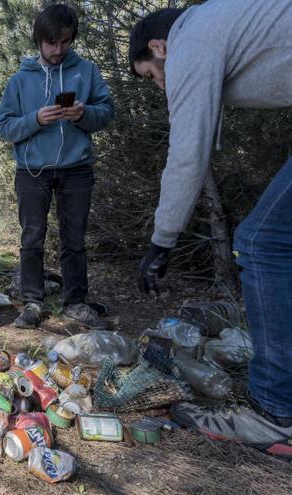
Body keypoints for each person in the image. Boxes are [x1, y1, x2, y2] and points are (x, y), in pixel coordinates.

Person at [129, 0, 292, 457]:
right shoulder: (217, 24)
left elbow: (188, 154)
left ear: (159, 47)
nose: (161, 85)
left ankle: (275, 414)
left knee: (262, 241)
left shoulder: (189, 43)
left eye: (152, 75)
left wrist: (161, 242)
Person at [0, 4, 114, 330]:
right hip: (31, 171)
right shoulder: (19, 81)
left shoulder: (86, 71)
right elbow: (5, 127)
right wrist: (35, 120)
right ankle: (32, 303)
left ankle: (76, 303)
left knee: (74, 239)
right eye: (51, 43)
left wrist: (83, 115)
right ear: (39, 41)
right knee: (31, 239)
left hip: (77, 168)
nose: (58, 50)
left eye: (64, 42)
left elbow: (106, 111)